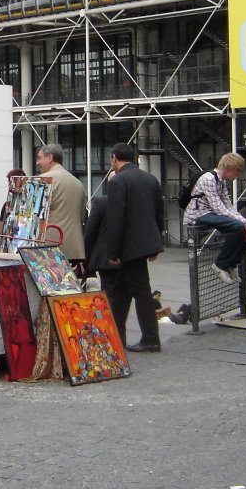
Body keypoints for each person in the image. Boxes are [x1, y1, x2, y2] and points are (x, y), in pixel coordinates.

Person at [99, 143, 165, 352]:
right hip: (146, 243)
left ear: (113, 158)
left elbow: (116, 219)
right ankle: (116, 336)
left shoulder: (118, 181)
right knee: (122, 292)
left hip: (129, 247)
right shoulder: (150, 179)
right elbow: (158, 213)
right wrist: (156, 243)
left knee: (141, 292)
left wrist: (113, 252)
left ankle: (150, 338)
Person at [182, 152, 246, 286]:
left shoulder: (220, 181)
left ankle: (232, 263)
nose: (238, 174)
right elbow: (218, 207)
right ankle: (220, 264)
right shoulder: (208, 179)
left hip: (211, 214)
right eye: (237, 171)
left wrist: (245, 222)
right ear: (229, 168)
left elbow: (228, 205)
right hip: (198, 215)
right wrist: (242, 223)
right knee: (238, 227)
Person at [35, 144, 87, 265]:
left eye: (39, 158)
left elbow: (33, 216)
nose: (37, 162)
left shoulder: (42, 180)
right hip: (75, 249)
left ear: (50, 158)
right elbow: (82, 215)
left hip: (48, 248)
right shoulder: (77, 183)